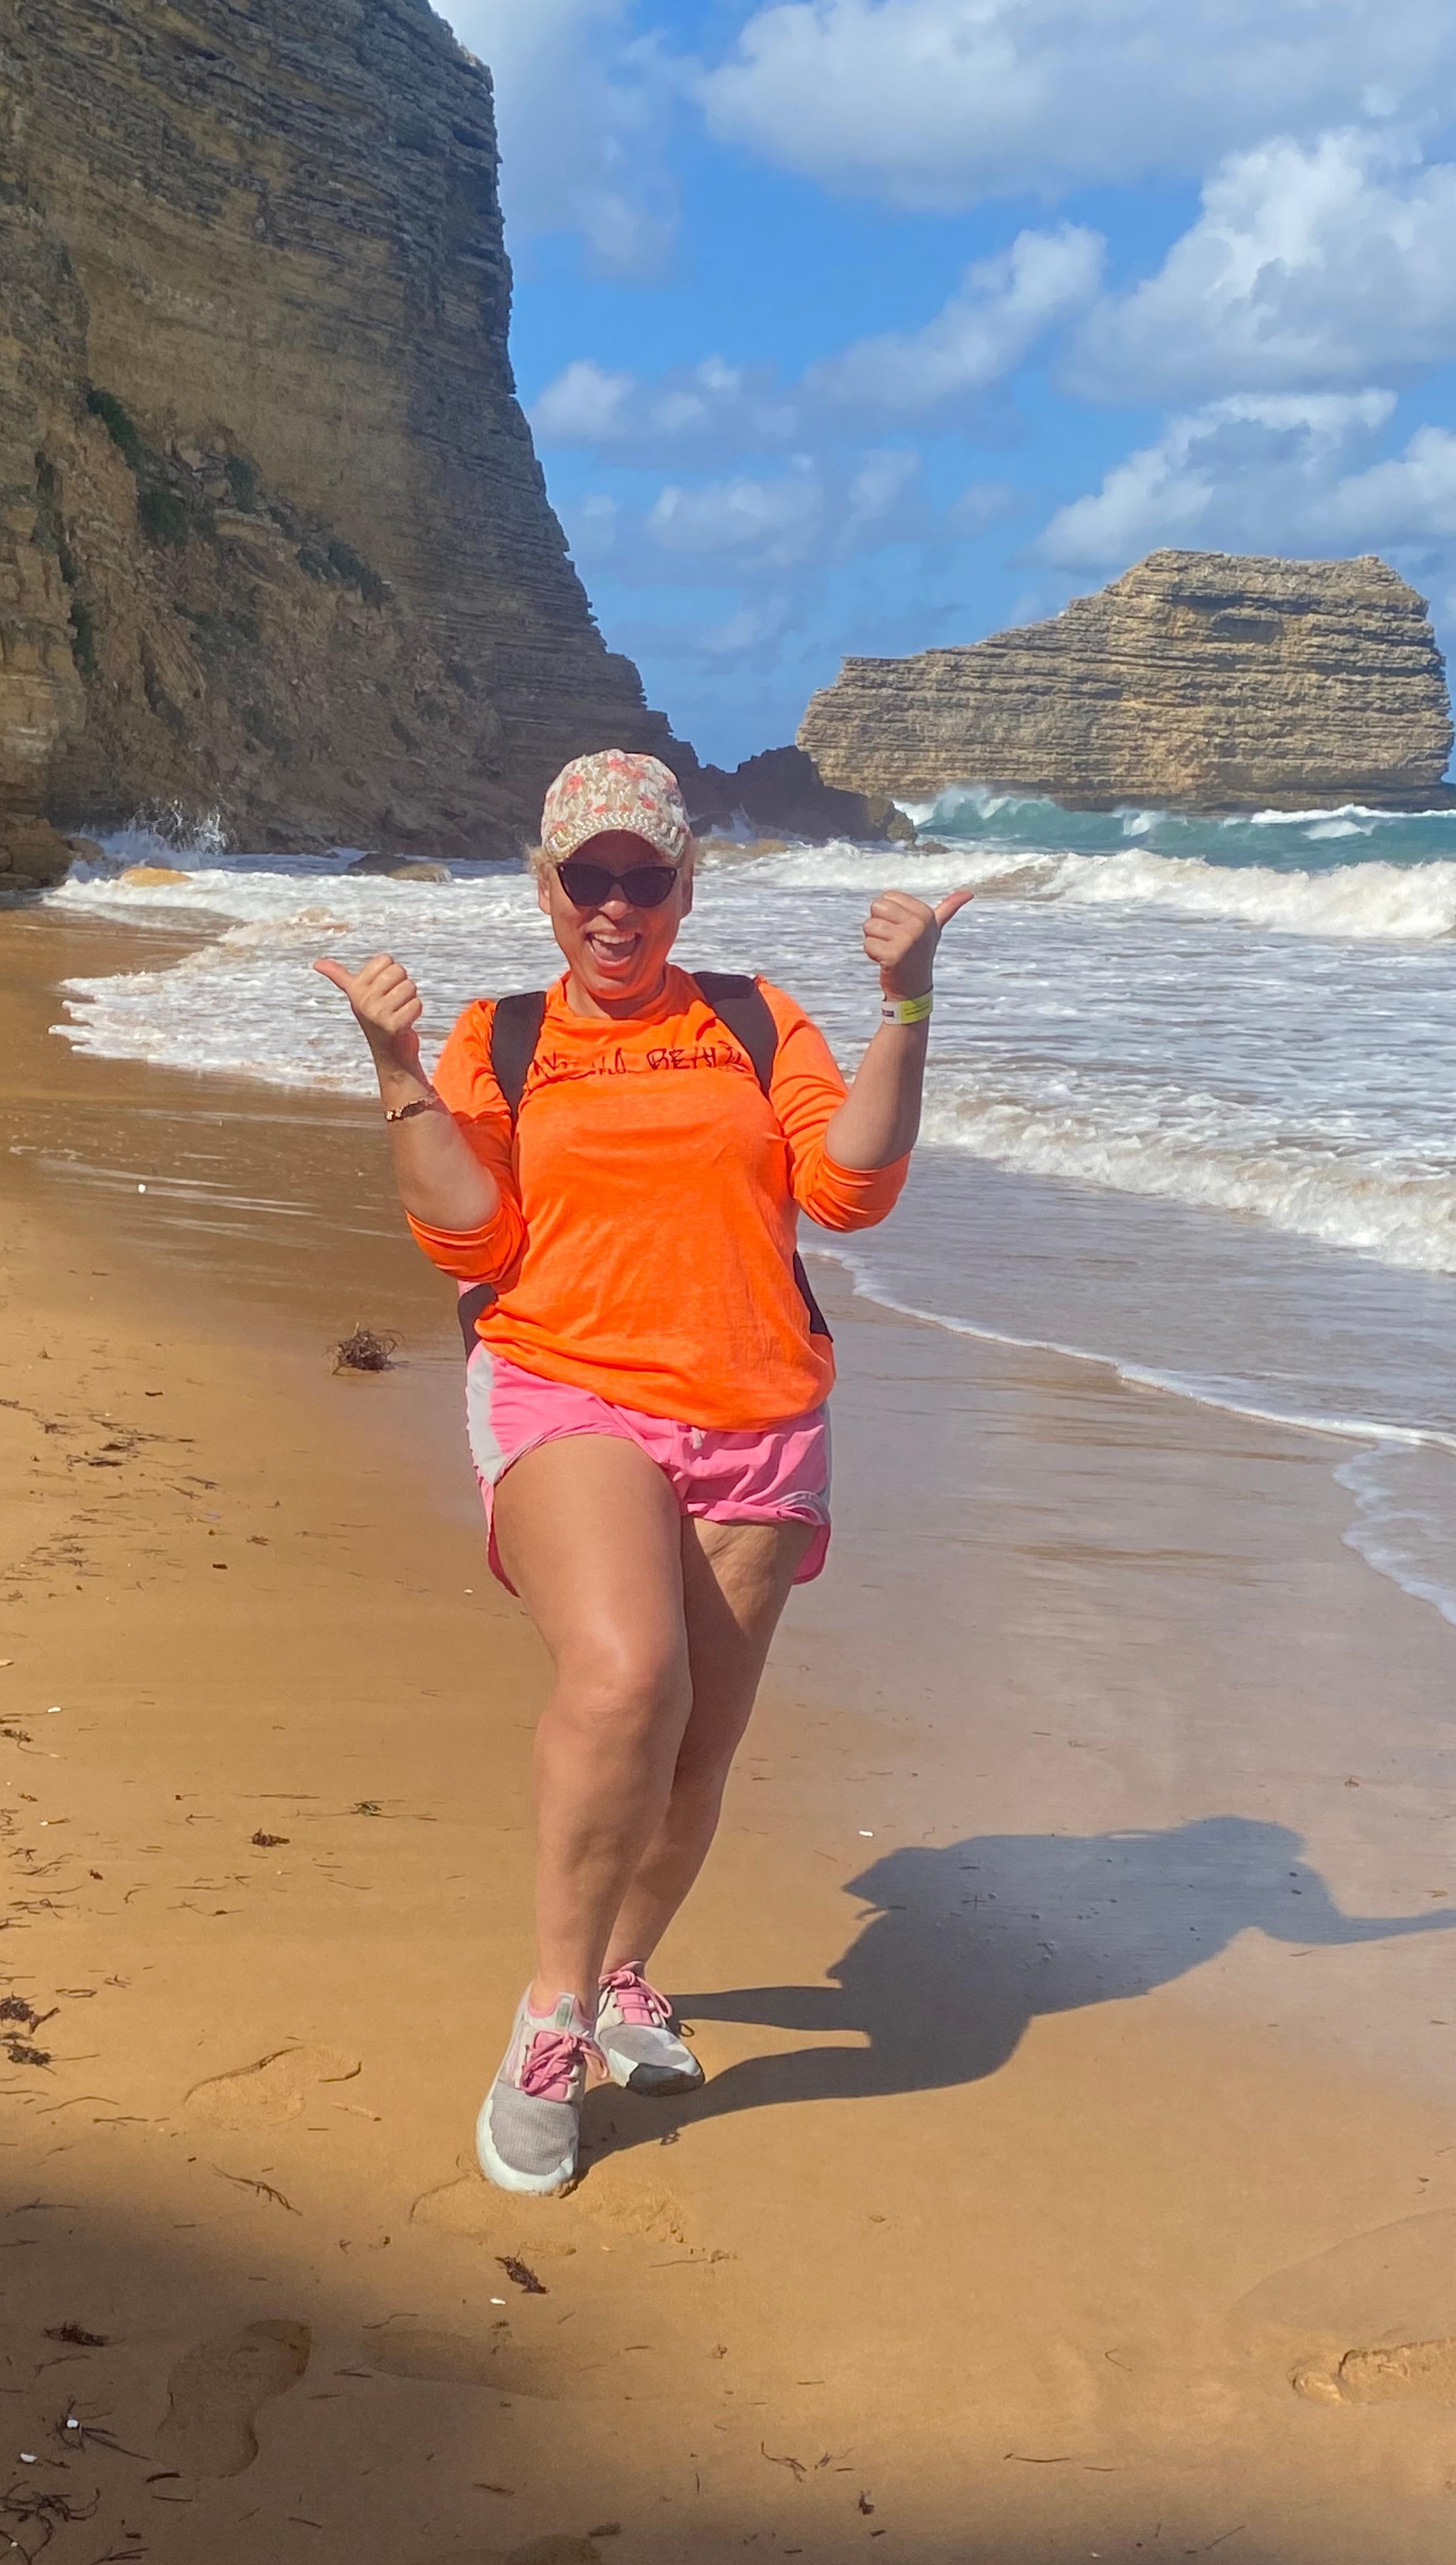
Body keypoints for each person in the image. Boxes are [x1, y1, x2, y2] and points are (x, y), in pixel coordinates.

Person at [315, 749, 967, 2194]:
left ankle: (623, 1971)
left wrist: (907, 1007)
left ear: (687, 886)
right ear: (545, 888)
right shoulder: (500, 1036)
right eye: (588, 878)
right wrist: (398, 1071)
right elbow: (469, 1238)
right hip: (568, 1383)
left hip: (757, 1410)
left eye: (645, 878)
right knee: (626, 1680)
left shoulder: (755, 1019)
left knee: (692, 1753)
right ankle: (551, 2022)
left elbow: (851, 1192)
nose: (616, 907)